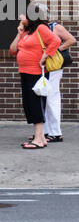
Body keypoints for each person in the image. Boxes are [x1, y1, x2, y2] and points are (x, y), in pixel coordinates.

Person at [8, 10, 61, 148]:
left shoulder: (41, 28)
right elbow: (13, 50)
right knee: (29, 104)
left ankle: (38, 139)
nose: (21, 17)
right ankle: (41, 137)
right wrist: (19, 33)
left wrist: (45, 56)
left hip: (36, 72)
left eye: (23, 16)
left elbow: (56, 40)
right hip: (24, 72)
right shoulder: (26, 32)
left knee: (35, 103)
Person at [41, 6, 76, 143]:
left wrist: (56, 50)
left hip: (53, 67)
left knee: (52, 96)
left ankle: (55, 132)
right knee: (43, 97)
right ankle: (44, 132)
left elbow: (71, 40)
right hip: (42, 66)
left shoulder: (54, 27)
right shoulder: (38, 29)